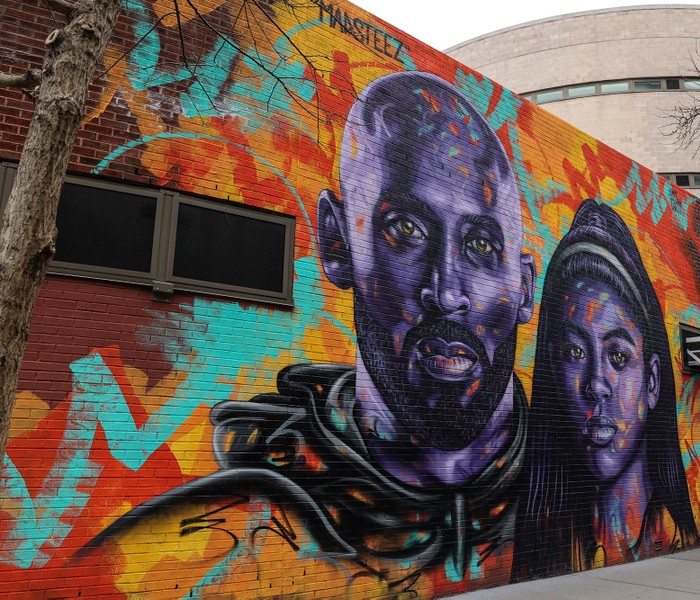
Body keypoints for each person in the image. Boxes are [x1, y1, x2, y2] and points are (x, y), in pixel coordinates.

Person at [81, 71, 536, 596]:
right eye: (406, 231)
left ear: (524, 288)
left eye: (481, 245)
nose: (447, 290)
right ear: (336, 243)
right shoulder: (231, 522)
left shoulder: (564, 481)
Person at [512, 200, 698, 581]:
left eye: (617, 355)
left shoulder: (677, 539)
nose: (596, 384)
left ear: (652, 380)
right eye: (575, 352)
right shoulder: (546, 550)